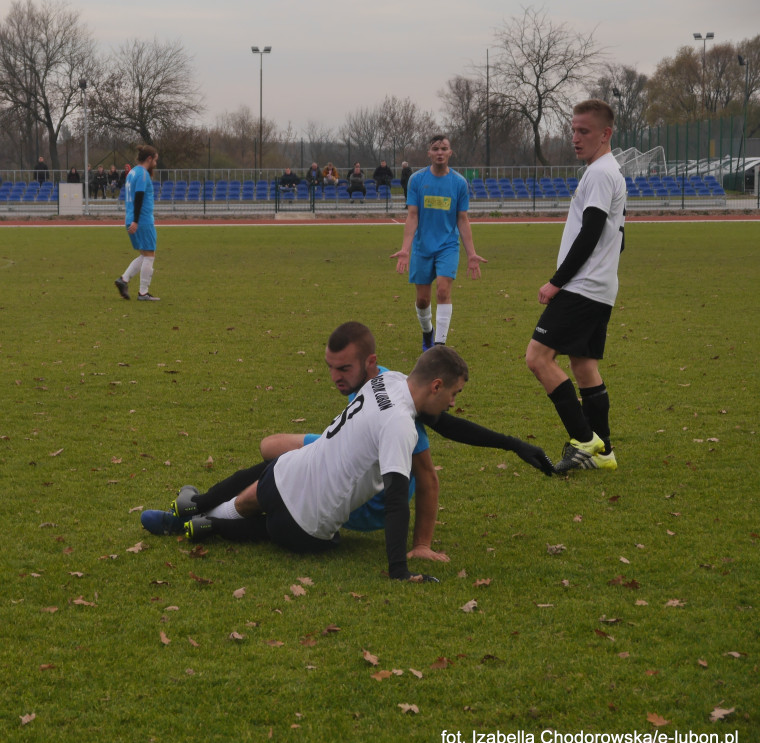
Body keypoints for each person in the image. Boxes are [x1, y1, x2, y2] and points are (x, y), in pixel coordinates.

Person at [146, 322, 552, 562]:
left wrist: (419, 546)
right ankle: (204, 521)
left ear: (371, 365)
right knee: (272, 481)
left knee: (274, 476)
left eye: (344, 369)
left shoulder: (395, 398)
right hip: (318, 485)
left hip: (333, 486)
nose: (336, 377)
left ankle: (193, 513)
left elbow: (422, 478)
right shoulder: (392, 396)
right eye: (331, 368)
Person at [525, 99, 626, 475]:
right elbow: (619, 237)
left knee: (537, 358)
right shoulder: (610, 171)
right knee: (584, 366)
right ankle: (604, 452)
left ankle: (584, 441)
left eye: (584, 131)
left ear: (606, 133)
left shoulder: (600, 173)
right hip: (600, 287)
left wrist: (556, 282)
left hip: (582, 287)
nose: (575, 138)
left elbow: (592, 231)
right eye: (573, 130)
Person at [391, 135, 486, 351]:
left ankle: (439, 346)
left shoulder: (459, 183)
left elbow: (462, 219)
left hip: (448, 247)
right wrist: (405, 250)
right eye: (435, 148)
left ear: (450, 152)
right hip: (422, 248)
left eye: (444, 148)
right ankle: (428, 333)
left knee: (443, 292)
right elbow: (412, 216)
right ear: (429, 153)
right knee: (423, 301)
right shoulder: (416, 180)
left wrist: (471, 254)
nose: (440, 152)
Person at [114, 145, 160, 302]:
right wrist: (136, 220)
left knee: (144, 254)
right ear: (149, 159)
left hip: (131, 217)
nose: (156, 163)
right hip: (142, 220)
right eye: (155, 160)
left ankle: (124, 279)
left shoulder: (132, 172)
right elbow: (139, 197)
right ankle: (143, 293)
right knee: (150, 255)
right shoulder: (142, 174)